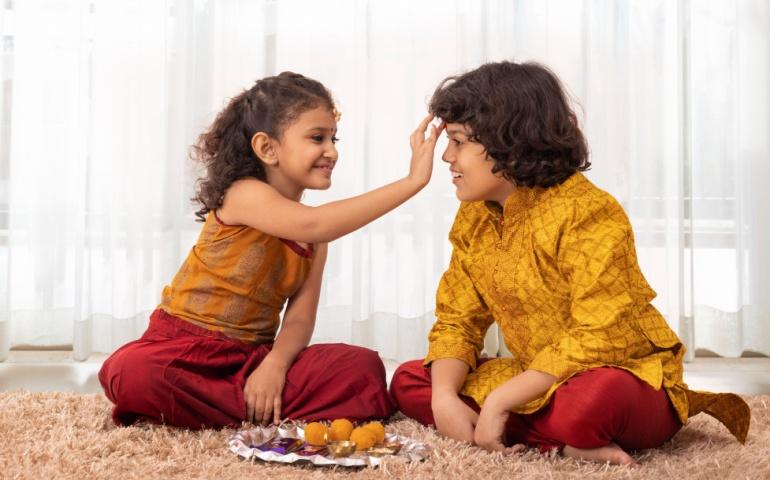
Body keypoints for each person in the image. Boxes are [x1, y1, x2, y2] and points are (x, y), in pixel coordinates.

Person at [389, 61, 750, 465]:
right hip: (537, 377)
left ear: (508, 138)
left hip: (620, 374)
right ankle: (561, 441)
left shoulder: (589, 211)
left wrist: (500, 400)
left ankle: (525, 424)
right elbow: (458, 319)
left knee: (593, 402)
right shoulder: (475, 215)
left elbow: (600, 333)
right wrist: (442, 399)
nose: (446, 158)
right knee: (411, 380)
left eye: (457, 142)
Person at [99, 72, 441, 429]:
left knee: (362, 368)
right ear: (267, 148)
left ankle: (242, 402)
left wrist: (275, 366)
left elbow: (298, 319)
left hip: (253, 360)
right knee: (132, 373)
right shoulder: (243, 194)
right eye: (317, 138)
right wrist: (412, 182)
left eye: (333, 138)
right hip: (183, 350)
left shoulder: (313, 237)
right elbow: (315, 223)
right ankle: (248, 408)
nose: (332, 151)